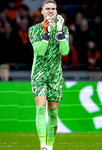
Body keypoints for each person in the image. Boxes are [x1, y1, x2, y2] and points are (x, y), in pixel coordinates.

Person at [28, 0, 69, 150]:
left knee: (53, 114)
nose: (51, 11)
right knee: (40, 108)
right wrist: (46, 33)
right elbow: (39, 52)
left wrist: (60, 33)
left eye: (53, 9)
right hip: (39, 74)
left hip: (55, 75)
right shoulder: (34, 30)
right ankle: (42, 145)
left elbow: (64, 52)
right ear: (42, 12)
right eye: (48, 9)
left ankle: (50, 147)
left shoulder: (63, 30)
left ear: (56, 11)